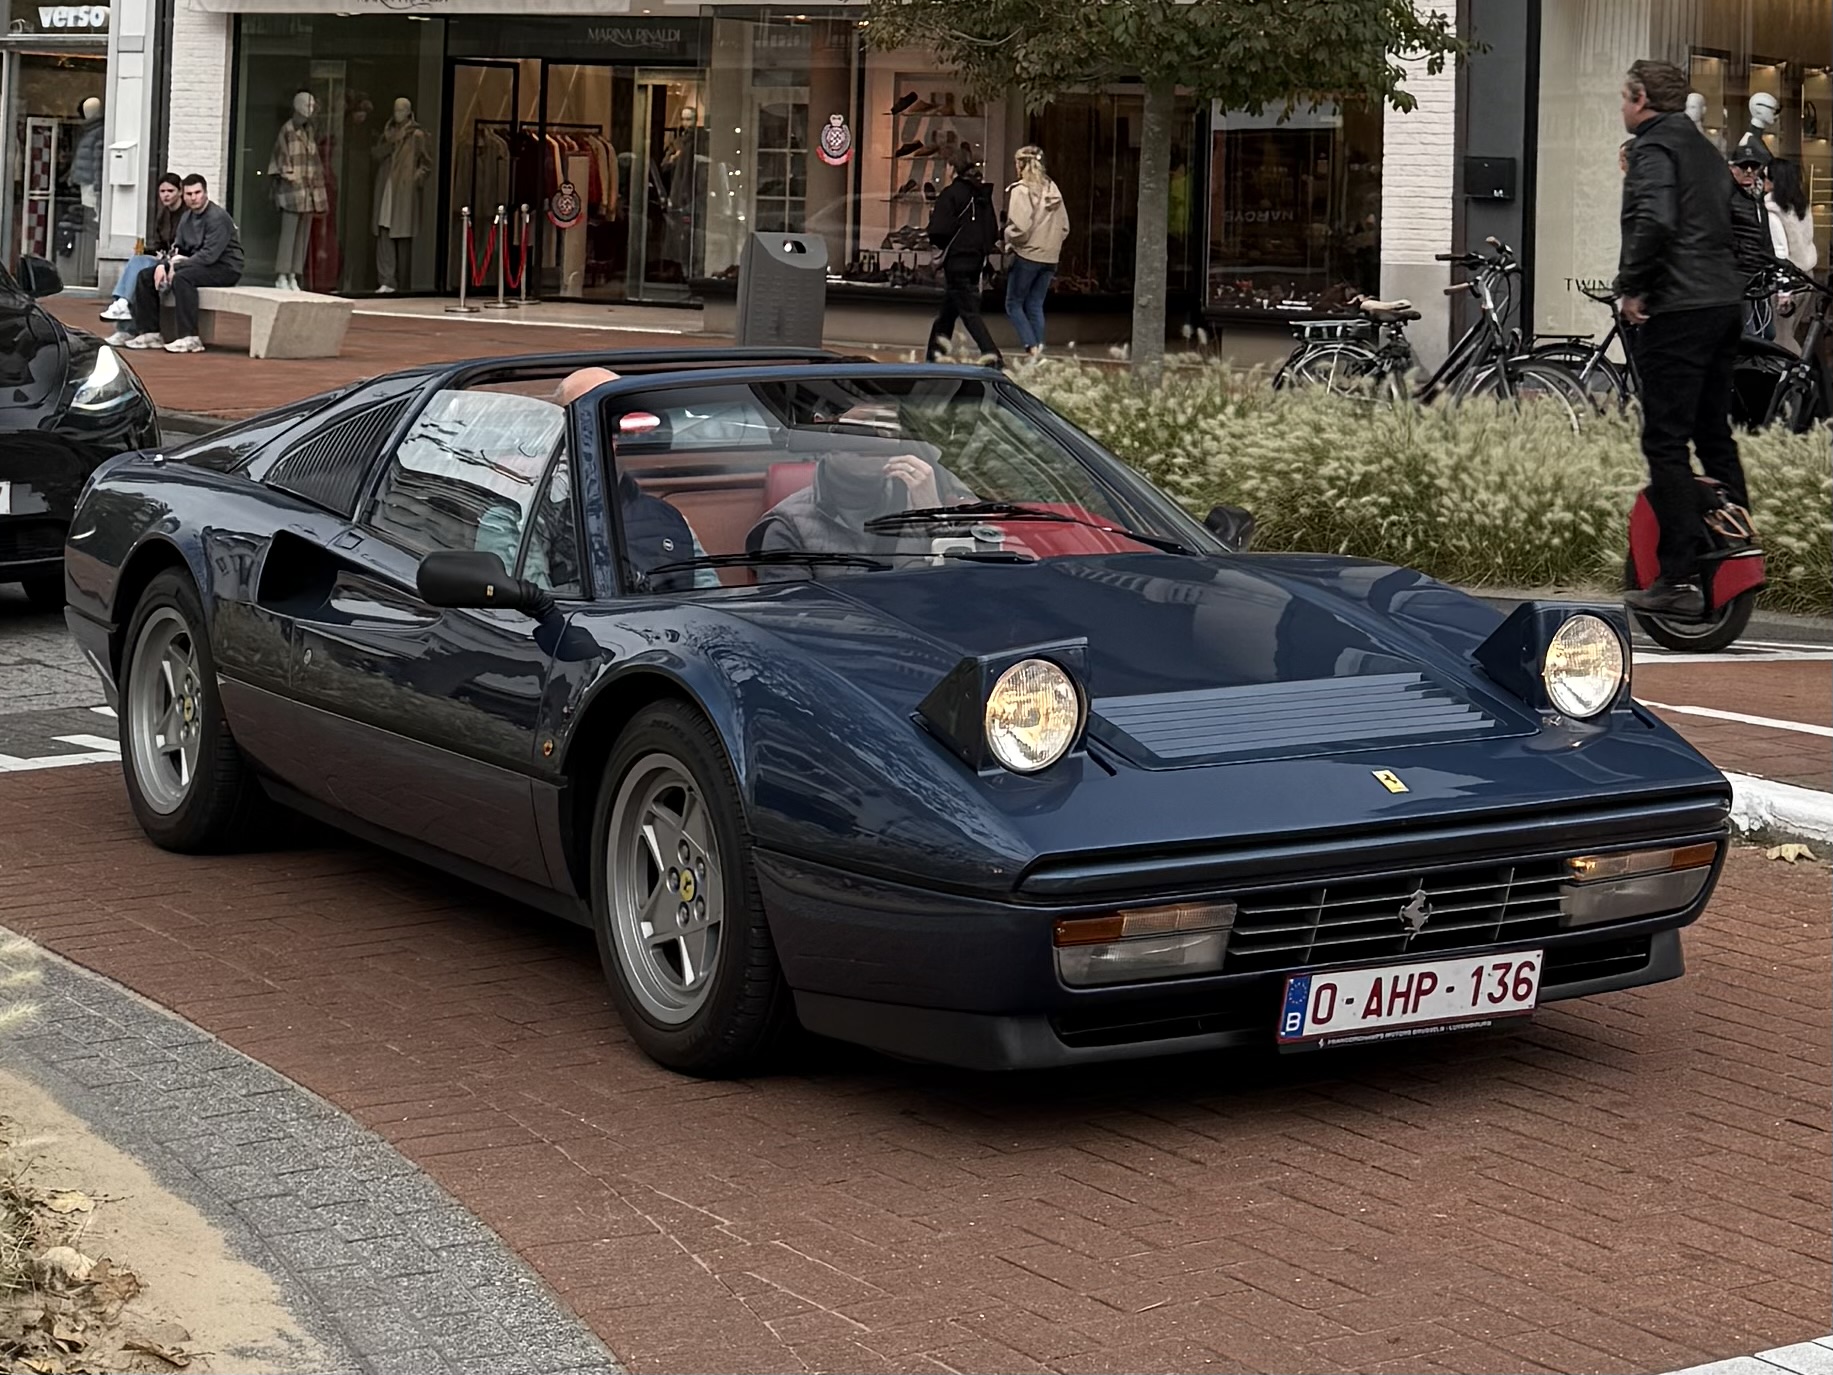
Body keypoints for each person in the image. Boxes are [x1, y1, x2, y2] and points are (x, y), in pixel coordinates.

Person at [1615, 58, 1750, 618]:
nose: (1622, 107)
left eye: (1624, 97)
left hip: (1679, 306)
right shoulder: (1705, 149)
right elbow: (1738, 223)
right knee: (1713, 433)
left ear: (1641, 98)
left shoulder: (1654, 148)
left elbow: (1654, 221)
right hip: (1722, 303)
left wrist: (1633, 288)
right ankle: (1738, 547)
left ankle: (1677, 576)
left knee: (1665, 441)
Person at [548, 367, 718, 592]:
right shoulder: (536, 518)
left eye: (618, 419)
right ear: (560, 432)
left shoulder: (669, 520)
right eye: (588, 419)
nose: (609, 433)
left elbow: (709, 596)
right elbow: (531, 604)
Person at [113, 174, 243, 355]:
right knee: (145, 276)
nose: (194, 198)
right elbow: (178, 248)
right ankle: (150, 333)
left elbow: (209, 256)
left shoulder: (217, 217)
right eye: (189, 194)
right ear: (183, 195)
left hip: (225, 268)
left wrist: (175, 267)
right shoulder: (187, 217)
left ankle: (190, 338)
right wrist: (164, 265)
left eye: (197, 193)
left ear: (206, 193)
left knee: (183, 278)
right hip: (196, 264)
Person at [924, 146, 1003, 367]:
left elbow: (939, 230)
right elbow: (992, 231)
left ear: (952, 168)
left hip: (957, 261)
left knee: (969, 313)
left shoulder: (951, 194)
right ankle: (934, 356)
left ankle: (993, 356)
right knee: (948, 313)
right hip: (976, 261)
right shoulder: (981, 194)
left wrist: (937, 246)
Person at [1001, 145, 1070, 358]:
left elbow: (1020, 228)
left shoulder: (1021, 191)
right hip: (1050, 257)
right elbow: (1065, 227)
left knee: (1013, 303)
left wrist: (1008, 238)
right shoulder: (1053, 189)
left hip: (1028, 255)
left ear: (1021, 165)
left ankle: (1032, 348)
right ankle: (1039, 351)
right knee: (1035, 304)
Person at [100, 175, 182, 324]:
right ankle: (122, 303)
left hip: (177, 261)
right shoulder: (163, 214)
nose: (166, 195)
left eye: (170, 191)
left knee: (142, 267)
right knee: (137, 260)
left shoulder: (186, 215)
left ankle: (122, 303)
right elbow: (160, 243)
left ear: (180, 192)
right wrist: (150, 250)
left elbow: (182, 245)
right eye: (162, 191)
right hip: (164, 258)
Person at [1727, 136, 1780, 339]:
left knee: (1767, 334)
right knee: (1749, 336)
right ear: (1733, 168)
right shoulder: (1727, 196)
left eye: (1754, 166)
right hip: (1739, 280)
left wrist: (1773, 269)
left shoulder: (1757, 198)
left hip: (1758, 279)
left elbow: (1764, 237)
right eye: (1743, 166)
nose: (1749, 171)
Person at [1764, 158, 1818, 354]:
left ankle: (1794, 371)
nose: (1763, 181)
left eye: (1766, 177)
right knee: (1790, 333)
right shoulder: (1801, 207)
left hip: (1787, 283)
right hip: (1807, 277)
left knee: (1781, 339)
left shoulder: (1772, 210)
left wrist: (1783, 291)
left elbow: (1780, 252)